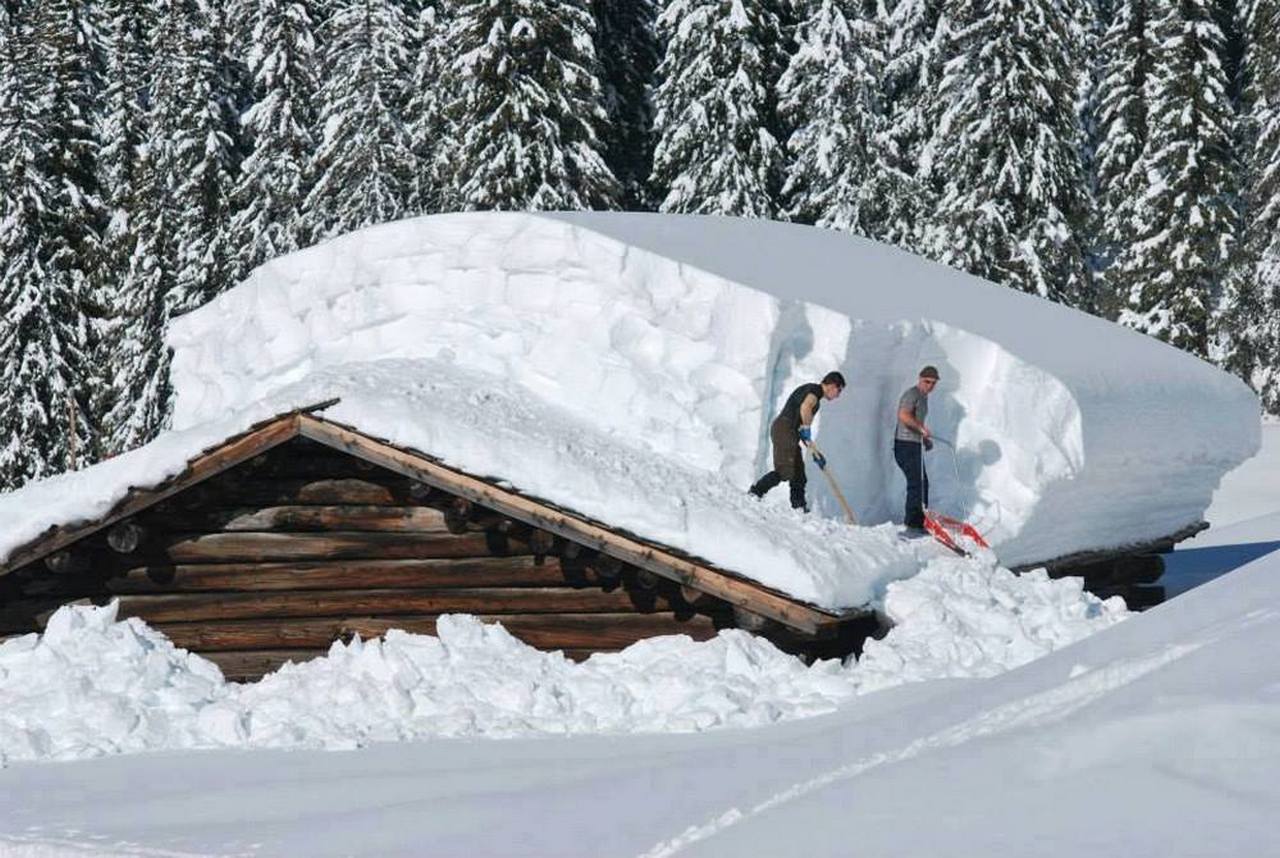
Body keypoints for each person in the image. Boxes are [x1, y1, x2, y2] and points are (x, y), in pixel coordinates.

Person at [749, 371, 846, 511]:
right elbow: (805, 407)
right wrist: (807, 427)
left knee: (799, 475)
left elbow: (802, 431)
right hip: (784, 428)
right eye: (839, 390)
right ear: (831, 385)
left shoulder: (816, 401)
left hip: (791, 432)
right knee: (785, 471)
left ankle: (799, 507)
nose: (838, 395)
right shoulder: (814, 390)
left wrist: (815, 453)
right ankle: (756, 492)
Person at [895, 365, 938, 535]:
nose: (930, 385)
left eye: (933, 383)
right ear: (920, 378)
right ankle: (913, 524)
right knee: (917, 483)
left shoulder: (923, 397)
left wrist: (924, 439)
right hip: (905, 444)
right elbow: (904, 415)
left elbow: (916, 420)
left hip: (914, 444)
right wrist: (921, 430)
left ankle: (920, 521)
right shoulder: (912, 394)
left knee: (922, 483)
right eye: (927, 381)